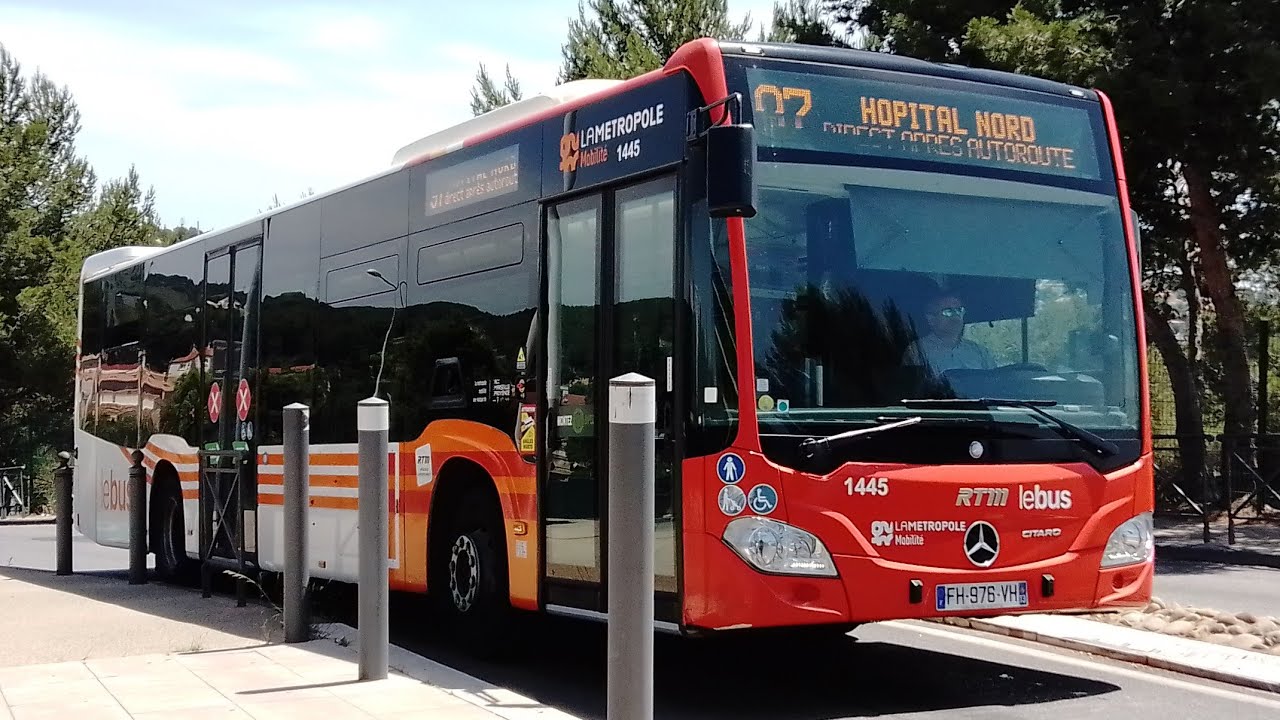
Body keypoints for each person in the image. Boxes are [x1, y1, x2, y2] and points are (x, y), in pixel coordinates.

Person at [902, 290, 995, 373]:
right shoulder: (918, 351)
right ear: (931, 319)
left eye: (959, 310)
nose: (955, 317)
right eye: (948, 312)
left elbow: (992, 382)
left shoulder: (979, 352)